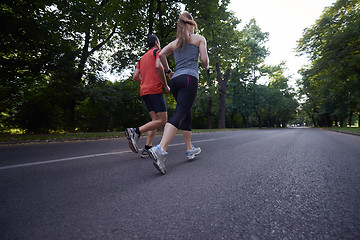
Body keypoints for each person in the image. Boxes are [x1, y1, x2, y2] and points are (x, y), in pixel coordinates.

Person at [148, 11, 209, 174]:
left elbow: (160, 54)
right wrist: (206, 66)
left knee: (186, 112)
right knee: (180, 112)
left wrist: (169, 71)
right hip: (189, 79)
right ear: (191, 24)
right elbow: (204, 60)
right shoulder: (199, 39)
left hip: (176, 81)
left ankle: (189, 148)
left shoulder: (175, 43)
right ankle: (160, 149)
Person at [125, 34, 170, 158]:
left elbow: (135, 76)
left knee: (155, 121)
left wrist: (145, 80)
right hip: (155, 90)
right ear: (156, 42)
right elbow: (158, 66)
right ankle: (135, 131)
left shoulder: (142, 58)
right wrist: (165, 85)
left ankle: (147, 147)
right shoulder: (158, 52)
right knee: (163, 120)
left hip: (144, 91)